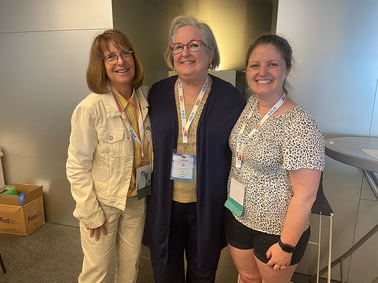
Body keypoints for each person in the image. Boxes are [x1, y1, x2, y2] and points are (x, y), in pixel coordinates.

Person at [142, 15, 246, 283]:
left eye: (194, 45)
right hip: (165, 204)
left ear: (211, 53)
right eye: (177, 46)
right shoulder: (157, 94)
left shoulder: (231, 99)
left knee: (203, 272)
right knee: (165, 271)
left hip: (207, 205)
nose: (184, 52)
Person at [224, 34, 325, 283]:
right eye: (255, 65)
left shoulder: (300, 124)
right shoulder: (250, 105)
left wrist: (287, 246)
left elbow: (306, 195)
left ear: (287, 69)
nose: (262, 72)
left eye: (273, 64)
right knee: (247, 277)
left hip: (276, 230)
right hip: (239, 215)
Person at [66, 29, 152, 283]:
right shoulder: (90, 109)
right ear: (100, 65)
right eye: (110, 57)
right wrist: (90, 211)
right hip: (103, 202)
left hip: (137, 198)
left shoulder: (145, 98)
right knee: (98, 270)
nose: (121, 61)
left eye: (125, 53)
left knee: (130, 266)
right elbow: (76, 166)